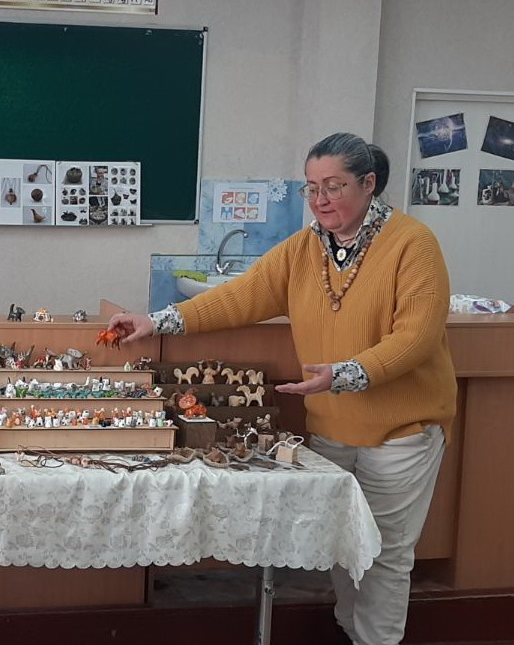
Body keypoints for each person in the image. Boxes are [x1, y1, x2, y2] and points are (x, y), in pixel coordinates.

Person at [109, 132, 455, 645]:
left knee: (384, 554)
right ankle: (353, 632)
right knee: (343, 546)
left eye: (334, 186)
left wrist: (345, 374)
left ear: (368, 183)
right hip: (333, 426)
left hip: (401, 432)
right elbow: (239, 297)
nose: (321, 200)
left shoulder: (413, 243)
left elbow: (417, 337)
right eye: (311, 188)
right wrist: (157, 321)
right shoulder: (304, 248)